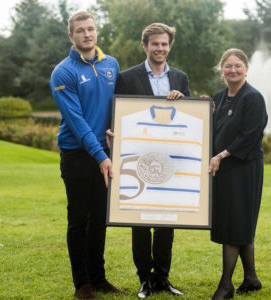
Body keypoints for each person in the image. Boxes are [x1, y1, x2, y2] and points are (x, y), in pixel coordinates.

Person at [114, 22, 189, 299]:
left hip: (171, 161)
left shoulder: (180, 78)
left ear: (170, 46)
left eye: (164, 44)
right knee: (140, 222)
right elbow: (119, 114)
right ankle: (145, 279)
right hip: (138, 159)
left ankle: (163, 279)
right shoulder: (127, 77)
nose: (160, 48)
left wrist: (183, 101)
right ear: (145, 46)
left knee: (167, 222)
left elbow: (191, 119)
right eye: (155, 44)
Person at [50, 11, 121, 300]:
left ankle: (99, 277)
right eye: (80, 30)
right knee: (79, 219)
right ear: (71, 36)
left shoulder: (111, 65)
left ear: (96, 31)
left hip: (104, 154)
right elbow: (77, 121)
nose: (87, 34)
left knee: (100, 219)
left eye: (91, 29)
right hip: (78, 155)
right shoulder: (63, 72)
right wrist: (99, 155)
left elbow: (122, 105)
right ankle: (82, 284)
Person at [208, 48, 268, 299]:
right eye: (228, 66)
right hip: (223, 170)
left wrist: (221, 156)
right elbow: (212, 129)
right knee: (237, 221)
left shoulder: (253, 98)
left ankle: (226, 285)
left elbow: (250, 135)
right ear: (221, 69)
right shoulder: (220, 96)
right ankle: (251, 278)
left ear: (246, 68)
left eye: (238, 66)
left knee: (235, 223)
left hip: (244, 169)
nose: (233, 70)